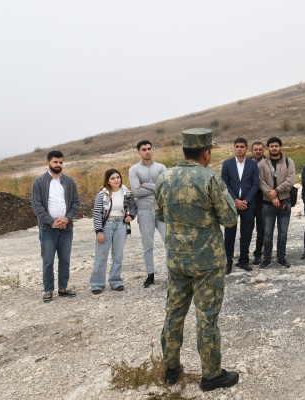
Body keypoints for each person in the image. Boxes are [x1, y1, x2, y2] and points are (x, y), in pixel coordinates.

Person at [155, 128, 239, 391]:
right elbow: (230, 218)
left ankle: (171, 369)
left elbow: (160, 215)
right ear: (206, 152)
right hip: (207, 261)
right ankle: (211, 375)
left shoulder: (164, 178)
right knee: (207, 317)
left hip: (177, 260)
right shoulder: (209, 179)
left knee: (174, 313)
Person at [31, 150, 80, 302]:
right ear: (48, 163)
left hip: (66, 228)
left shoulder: (69, 181)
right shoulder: (39, 182)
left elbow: (75, 203)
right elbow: (37, 206)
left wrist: (67, 219)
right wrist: (52, 221)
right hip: (48, 229)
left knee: (65, 260)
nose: (58, 165)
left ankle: (63, 288)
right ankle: (48, 290)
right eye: (55, 162)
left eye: (60, 162)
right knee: (48, 260)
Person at [90, 169, 138, 294]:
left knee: (118, 255)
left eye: (118, 177)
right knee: (101, 256)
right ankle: (97, 284)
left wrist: (131, 216)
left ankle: (116, 282)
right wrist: (99, 231)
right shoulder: (102, 194)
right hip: (106, 226)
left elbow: (134, 207)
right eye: (113, 178)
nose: (116, 180)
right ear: (107, 181)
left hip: (121, 225)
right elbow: (96, 214)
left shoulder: (126, 192)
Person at [129, 140, 167, 288]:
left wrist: (147, 185)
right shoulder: (134, 169)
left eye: (149, 149)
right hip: (144, 211)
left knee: (168, 242)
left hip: (162, 209)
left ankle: (171, 273)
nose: (147, 151)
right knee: (147, 245)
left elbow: (166, 187)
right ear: (139, 152)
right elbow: (136, 192)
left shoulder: (161, 167)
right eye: (144, 149)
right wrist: (157, 186)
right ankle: (150, 274)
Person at [221, 138, 259, 273]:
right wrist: (235, 200)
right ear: (234, 148)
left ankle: (243, 260)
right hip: (232, 204)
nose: (239, 149)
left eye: (242, 146)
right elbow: (224, 184)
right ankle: (228, 262)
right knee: (230, 233)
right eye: (237, 146)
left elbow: (256, 184)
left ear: (246, 148)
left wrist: (246, 200)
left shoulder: (253, 164)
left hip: (248, 204)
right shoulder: (227, 163)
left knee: (246, 233)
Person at [257, 137, 296, 268]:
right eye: (271, 146)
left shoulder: (288, 162)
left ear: (280, 147)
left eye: (276, 146)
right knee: (267, 233)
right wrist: (271, 194)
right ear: (268, 148)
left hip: (285, 201)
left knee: (283, 233)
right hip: (267, 203)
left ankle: (281, 258)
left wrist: (277, 191)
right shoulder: (262, 164)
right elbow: (260, 181)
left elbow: (291, 180)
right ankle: (266, 258)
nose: (274, 148)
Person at [250, 141, 266, 265]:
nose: (258, 151)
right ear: (252, 151)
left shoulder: (269, 163)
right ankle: (244, 255)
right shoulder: (246, 163)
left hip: (264, 201)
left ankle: (258, 253)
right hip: (248, 201)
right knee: (247, 229)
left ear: (264, 150)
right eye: (256, 149)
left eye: (260, 149)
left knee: (261, 229)